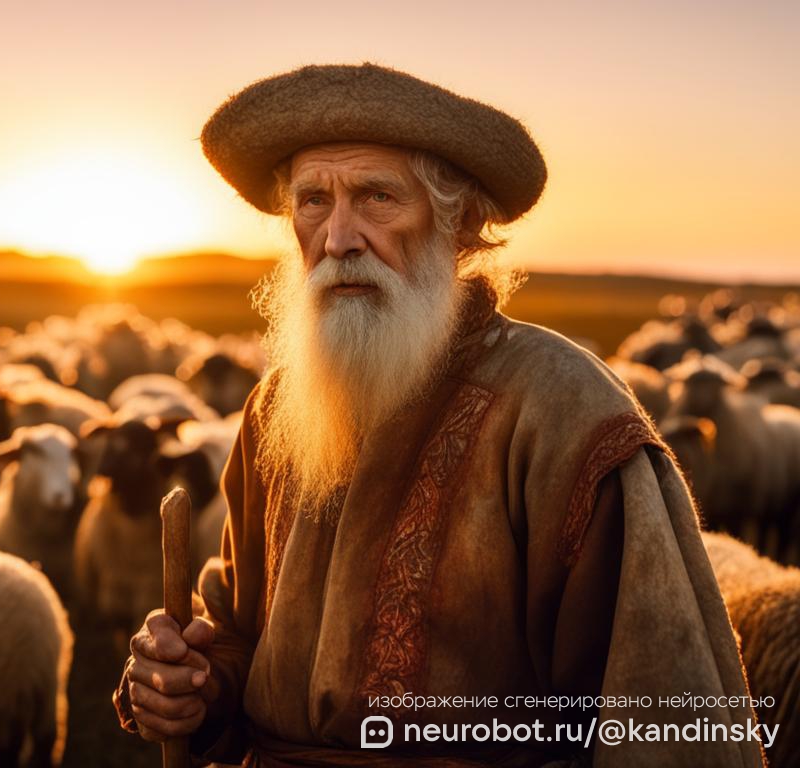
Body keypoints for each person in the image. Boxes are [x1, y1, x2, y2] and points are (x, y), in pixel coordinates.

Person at [114, 63, 765, 767]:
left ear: (460, 223)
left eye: (377, 197)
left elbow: (657, 708)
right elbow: (242, 637)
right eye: (312, 202)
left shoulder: (564, 410)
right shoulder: (278, 408)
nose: (338, 239)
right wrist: (195, 686)